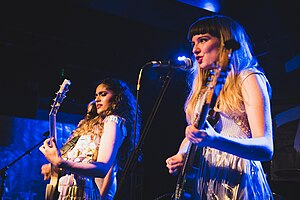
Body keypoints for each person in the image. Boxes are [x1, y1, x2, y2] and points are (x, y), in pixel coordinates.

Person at [165, 14, 274, 199]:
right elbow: (196, 133)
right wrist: (181, 154)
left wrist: (215, 140)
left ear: (225, 42)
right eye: (193, 43)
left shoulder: (248, 78)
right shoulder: (203, 88)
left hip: (239, 177)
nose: (195, 49)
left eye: (203, 40)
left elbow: (265, 148)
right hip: (206, 177)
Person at [39, 77, 141, 200]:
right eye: (96, 95)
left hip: (88, 193)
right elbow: (77, 161)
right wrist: (54, 167)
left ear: (118, 97)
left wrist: (61, 163)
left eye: (103, 94)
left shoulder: (113, 121)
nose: (97, 99)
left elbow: (103, 168)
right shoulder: (89, 127)